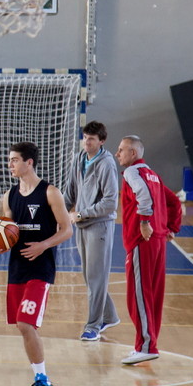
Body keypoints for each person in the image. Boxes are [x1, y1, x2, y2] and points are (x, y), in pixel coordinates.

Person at [0, 141, 72, 386]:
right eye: (10, 160)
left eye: (15, 160)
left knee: (25, 323)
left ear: (29, 162)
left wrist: (43, 245)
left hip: (41, 268)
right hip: (17, 267)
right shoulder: (10, 195)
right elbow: (8, 230)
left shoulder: (50, 192)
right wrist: (0, 242)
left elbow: (67, 229)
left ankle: (44, 382)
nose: (10, 165)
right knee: (22, 327)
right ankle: (39, 381)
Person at [115, 135, 181, 365]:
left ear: (133, 154)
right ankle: (146, 343)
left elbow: (144, 197)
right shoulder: (154, 175)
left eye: (121, 149)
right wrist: (172, 226)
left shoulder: (134, 173)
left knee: (138, 296)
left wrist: (144, 222)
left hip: (142, 241)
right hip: (158, 242)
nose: (117, 153)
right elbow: (174, 202)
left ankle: (146, 345)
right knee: (152, 296)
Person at [63, 121, 121, 342]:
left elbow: (110, 203)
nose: (86, 142)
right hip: (81, 224)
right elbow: (70, 191)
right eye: (85, 137)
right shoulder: (79, 159)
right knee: (89, 276)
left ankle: (94, 325)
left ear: (102, 141)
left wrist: (81, 213)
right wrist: (60, 213)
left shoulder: (106, 164)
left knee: (96, 277)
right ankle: (110, 315)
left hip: (100, 225)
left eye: (91, 139)